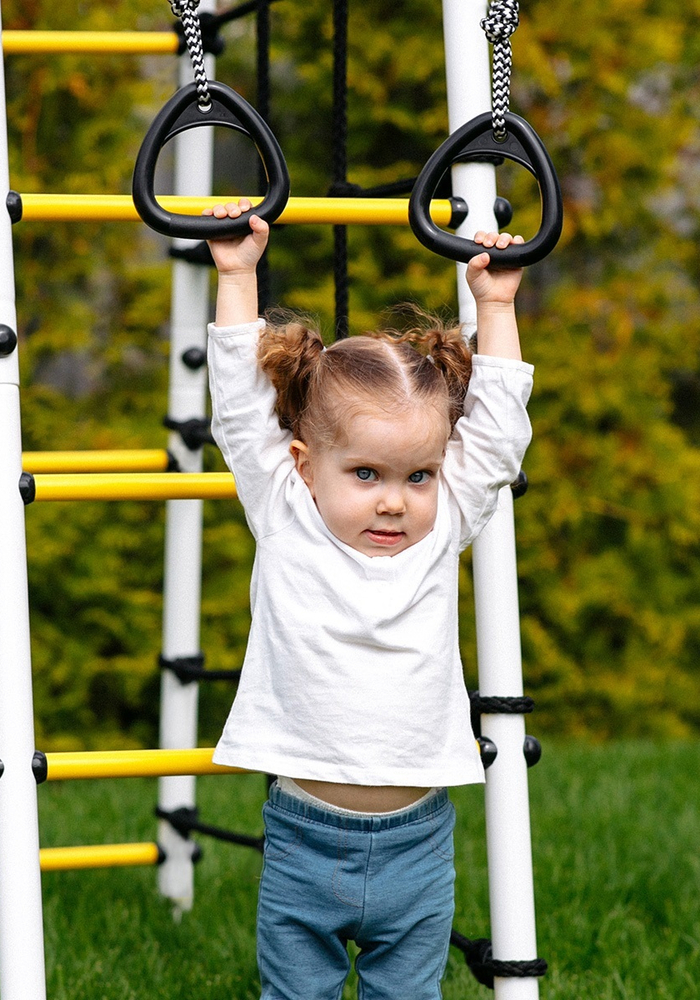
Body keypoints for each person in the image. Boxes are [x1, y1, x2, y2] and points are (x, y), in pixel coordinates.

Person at [203, 198, 533, 1000]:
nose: (394, 501)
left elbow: (495, 436)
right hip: (302, 838)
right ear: (304, 464)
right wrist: (237, 274)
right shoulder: (284, 515)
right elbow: (240, 411)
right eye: (366, 476)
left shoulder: (441, 525)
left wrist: (496, 305)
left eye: (417, 475)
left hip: (420, 844)